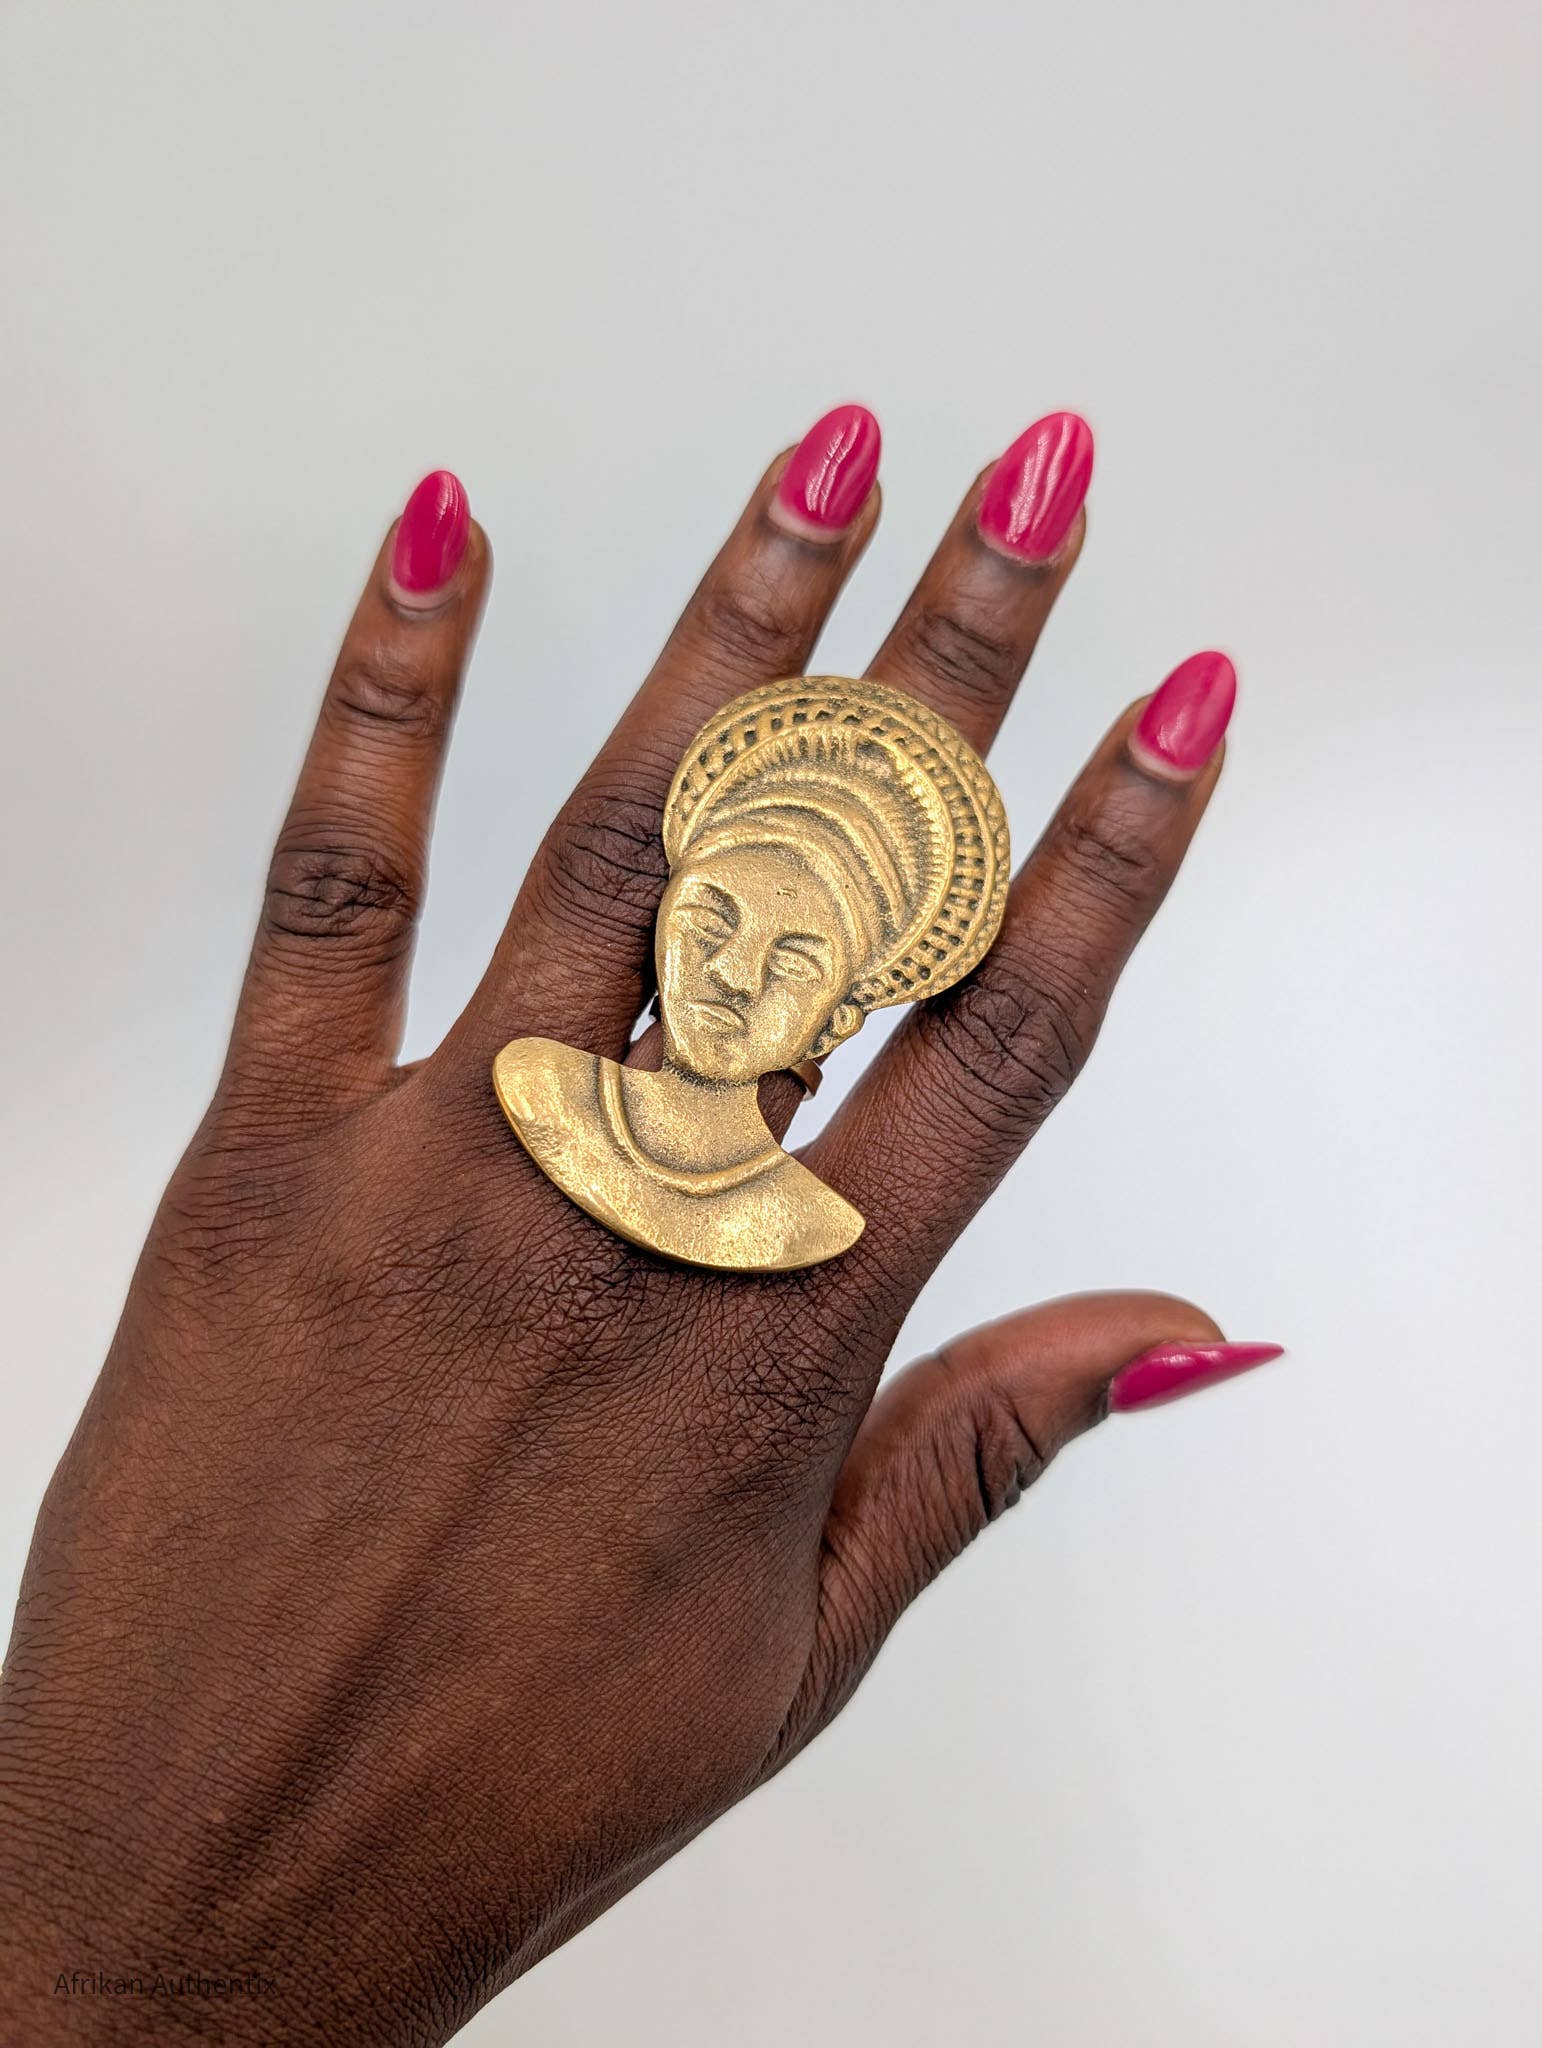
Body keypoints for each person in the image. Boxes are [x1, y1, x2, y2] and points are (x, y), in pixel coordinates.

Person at [0, 407, 1282, 2044]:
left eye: (798, 959)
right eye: (719, 914)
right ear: (671, 897)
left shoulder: (791, 1221)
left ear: (848, 1010)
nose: (734, 973)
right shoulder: (542, 1101)